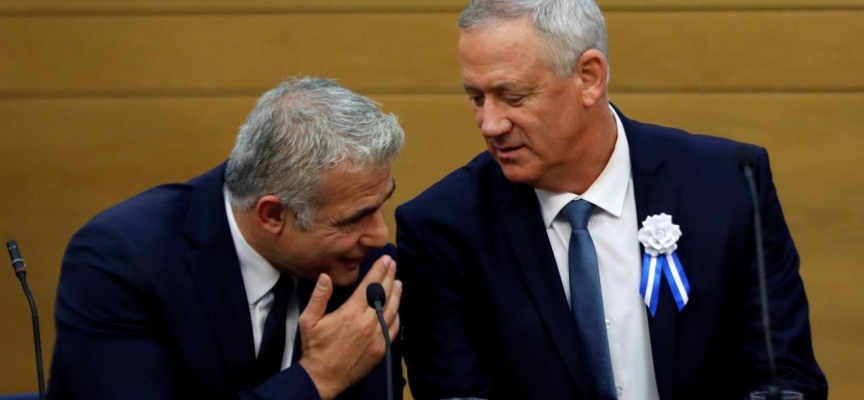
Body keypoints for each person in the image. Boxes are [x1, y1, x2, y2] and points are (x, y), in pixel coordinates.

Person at [395, 1, 827, 399]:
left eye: (513, 97)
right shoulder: (442, 230)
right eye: (476, 98)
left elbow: (785, 376)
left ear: (589, 77)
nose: (490, 124)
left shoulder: (728, 185)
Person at [48, 77, 405, 400]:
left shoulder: (365, 267)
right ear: (272, 215)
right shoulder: (123, 260)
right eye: (353, 219)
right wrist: (317, 378)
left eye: (380, 205)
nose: (379, 237)